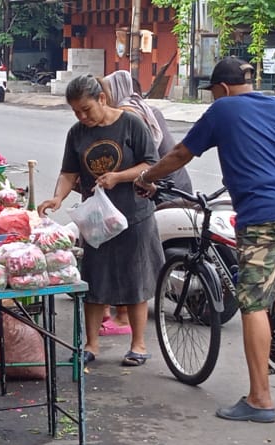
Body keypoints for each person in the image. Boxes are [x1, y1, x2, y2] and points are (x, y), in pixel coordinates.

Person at [134, 57, 275, 423]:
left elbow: (178, 154)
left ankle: (260, 399)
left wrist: (146, 177)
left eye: (212, 93)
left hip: (265, 211)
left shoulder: (222, 109)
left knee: (252, 301)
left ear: (221, 89)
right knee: (274, 263)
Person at [38, 74, 164, 367]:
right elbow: (69, 172)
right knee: (94, 281)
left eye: (86, 109)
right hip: (96, 218)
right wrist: (57, 198)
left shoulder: (131, 124)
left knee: (136, 281)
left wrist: (118, 176)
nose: (82, 116)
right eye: (76, 111)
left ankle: (138, 345)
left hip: (134, 214)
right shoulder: (77, 133)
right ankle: (90, 344)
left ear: (102, 99)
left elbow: (151, 164)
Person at [98, 70, 194, 337]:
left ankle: (120, 316)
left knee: (124, 246)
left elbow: (139, 160)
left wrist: (117, 177)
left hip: (157, 188)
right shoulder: (148, 109)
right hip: (180, 186)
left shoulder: (127, 115)